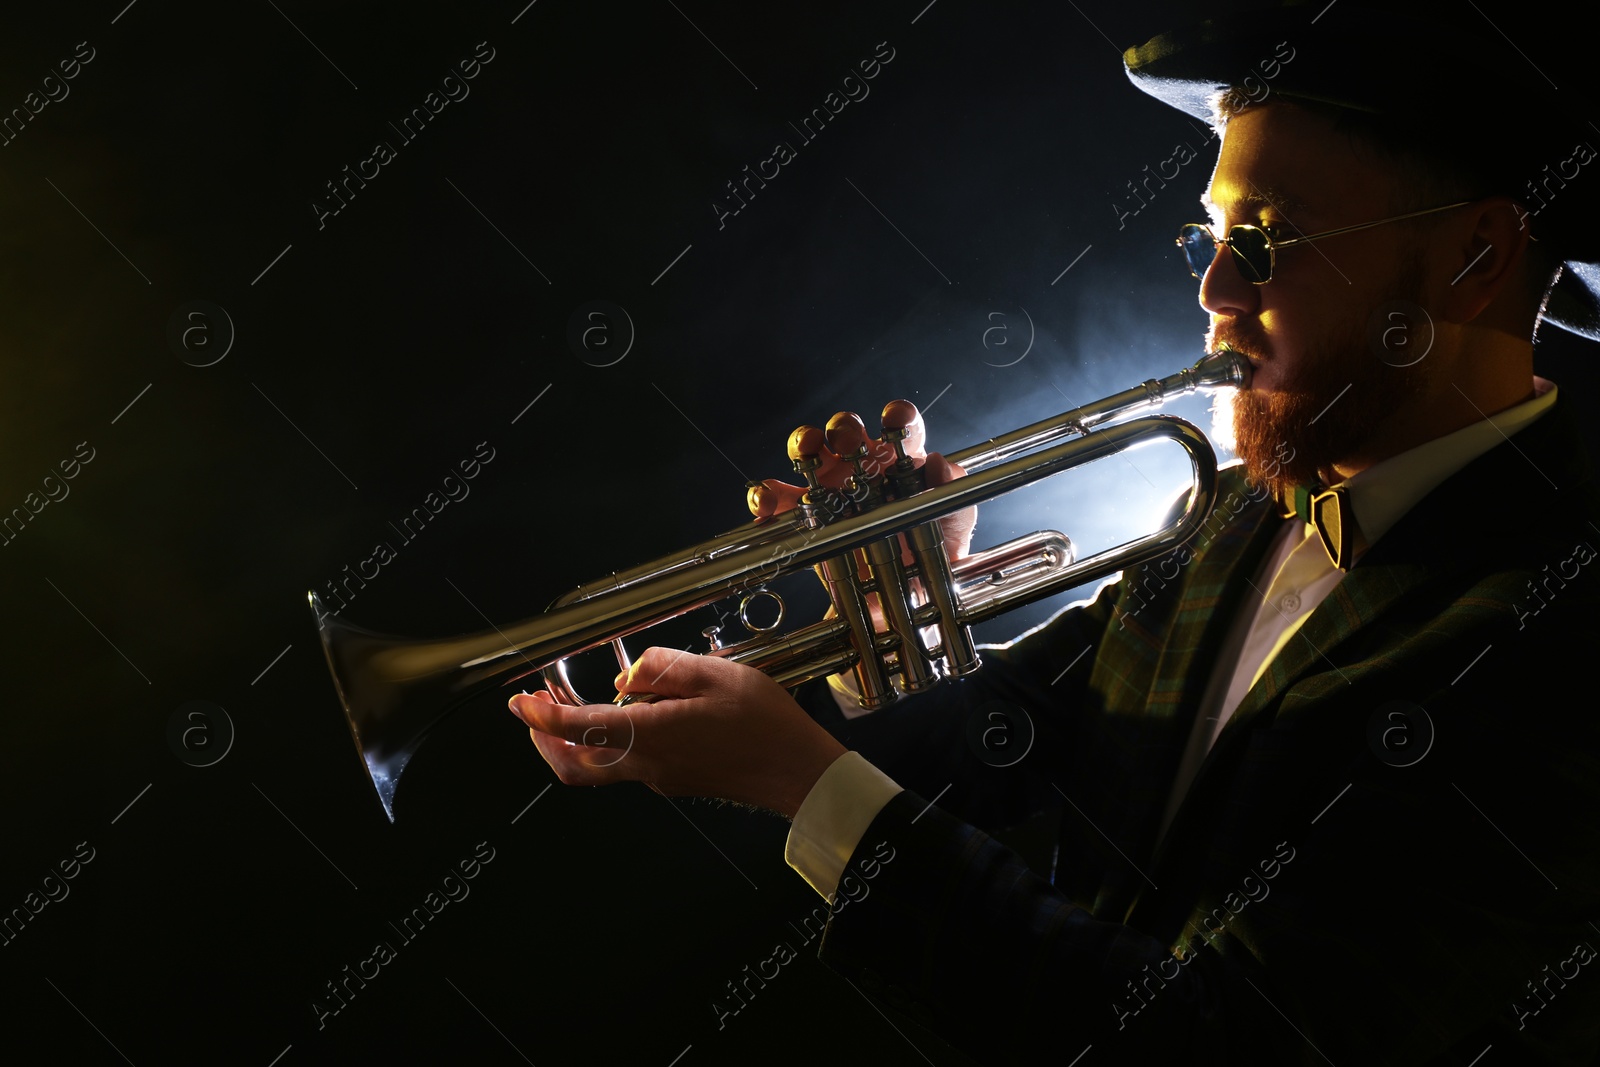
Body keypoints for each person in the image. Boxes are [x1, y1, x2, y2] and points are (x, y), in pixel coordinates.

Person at [510, 3, 1600, 1063]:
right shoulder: (1225, 510)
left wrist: (805, 784)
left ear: (1474, 258)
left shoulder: (1561, 639)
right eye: (1209, 237)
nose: (1214, 291)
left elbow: (1226, 1036)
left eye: (1266, 243)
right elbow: (1004, 754)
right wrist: (890, 634)